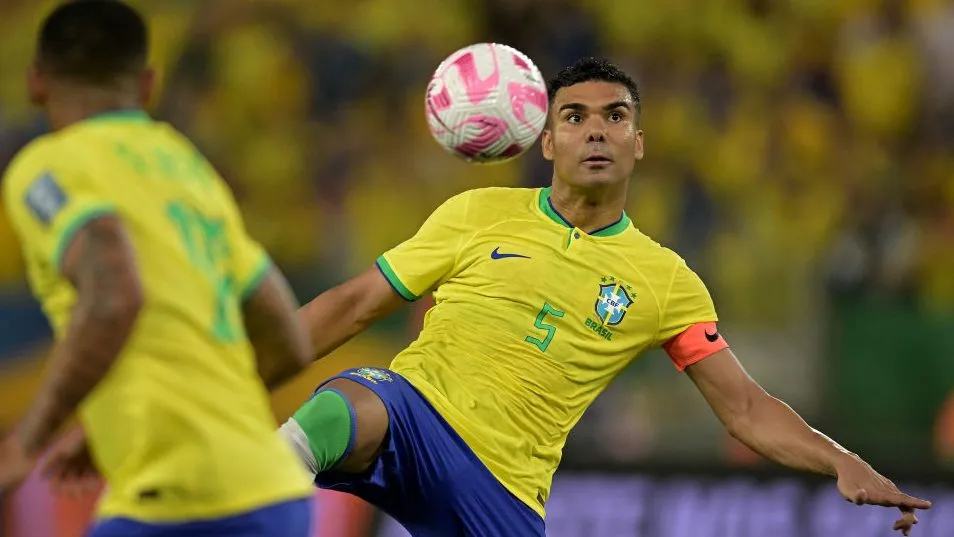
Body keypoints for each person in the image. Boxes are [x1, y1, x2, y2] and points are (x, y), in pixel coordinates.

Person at [280, 57, 933, 536]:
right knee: (343, 405)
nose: (596, 131)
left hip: (503, 489)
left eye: (615, 116)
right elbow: (356, 302)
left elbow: (745, 408)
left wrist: (841, 460)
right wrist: (245, 364)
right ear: (547, 139)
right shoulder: (475, 212)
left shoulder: (665, 278)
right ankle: (238, 498)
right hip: (415, 413)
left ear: (638, 142)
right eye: (575, 116)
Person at [0, 2, 315, 536]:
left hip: (178, 501)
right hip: (276, 493)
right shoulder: (189, 168)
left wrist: (26, 442)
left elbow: (114, 294)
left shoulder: (46, 166)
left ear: (36, 81)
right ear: (148, 84)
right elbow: (288, 340)